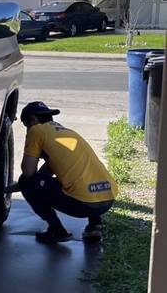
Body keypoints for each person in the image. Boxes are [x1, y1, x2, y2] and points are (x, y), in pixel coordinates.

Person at [19, 101, 118, 244]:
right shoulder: (67, 132)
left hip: (83, 205)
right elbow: (46, 173)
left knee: (25, 182)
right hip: (107, 200)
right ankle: (95, 224)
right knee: (83, 177)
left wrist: (25, 185)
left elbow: (28, 173)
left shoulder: (36, 131)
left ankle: (56, 230)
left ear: (33, 120)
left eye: (26, 125)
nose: (27, 130)